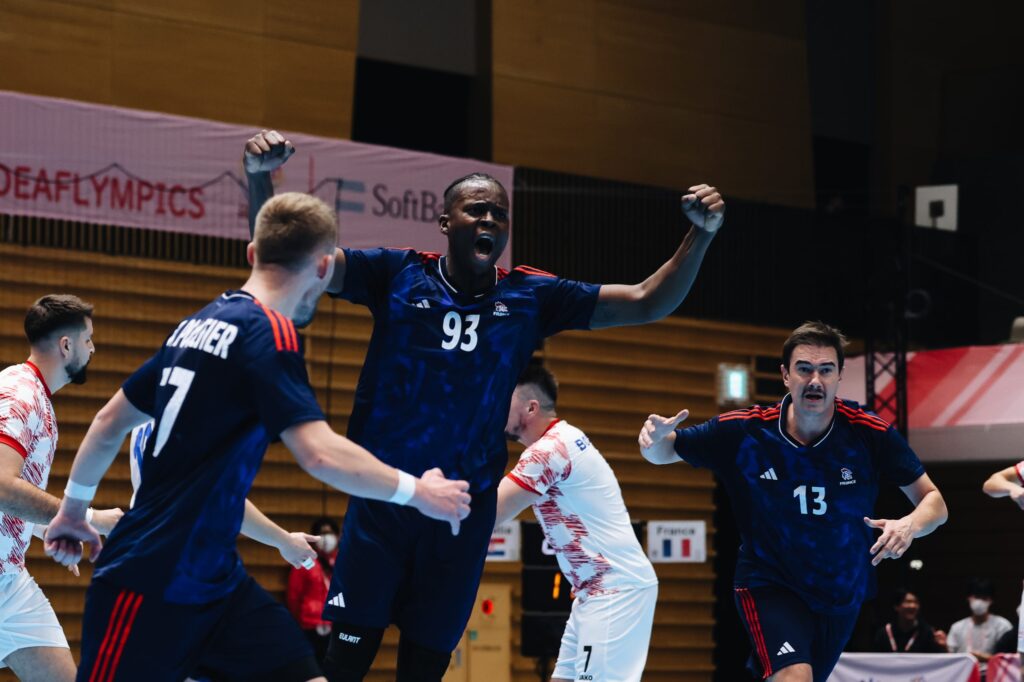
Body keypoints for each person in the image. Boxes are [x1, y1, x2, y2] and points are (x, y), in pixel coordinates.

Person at [244, 130, 724, 681]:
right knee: (344, 662)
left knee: (422, 671)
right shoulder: (396, 274)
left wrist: (701, 236)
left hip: (459, 520)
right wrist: (260, 178)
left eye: (500, 214)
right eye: (477, 211)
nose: (491, 221)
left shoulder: (530, 296)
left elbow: (647, 300)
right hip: (383, 503)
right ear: (446, 222)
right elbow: (289, 258)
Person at [42, 192, 472, 682]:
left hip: (216, 583)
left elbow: (107, 423)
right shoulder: (269, 334)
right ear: (325, 266)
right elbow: (319, 454)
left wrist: (74, 511)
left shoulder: (195, 325)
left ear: (252, 253)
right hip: (150, 579)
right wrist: (419, 492)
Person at [637, 321, 948, 682]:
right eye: (804, 369)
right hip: (771, 582)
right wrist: (654, 441)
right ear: (786, 375)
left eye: (826, 370)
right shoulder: (747, 431)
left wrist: (909, 524)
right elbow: (664, 453)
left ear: (839, 377)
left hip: (840, 594)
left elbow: (935, 503)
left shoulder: (868, 433)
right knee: (794, 676)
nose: (815, 380)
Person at [496, 365, 658, 682]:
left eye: (505, 399)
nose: (495, 407)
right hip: (593, 592)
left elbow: (487, 516)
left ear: (531, 407)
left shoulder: (549, 450)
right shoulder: (565, 437)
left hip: (616, 591)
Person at [0, 295, 123, 681]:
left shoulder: (35, 396)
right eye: (88, 340)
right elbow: (1, 485)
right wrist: (85, 516)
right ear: (66, 345)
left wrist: (55, 527)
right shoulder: (20, 396)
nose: (93, 348)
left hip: (8, 582)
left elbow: (11, 500)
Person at [287, 518, 341, 662]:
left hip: (336, 625)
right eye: (321, 533)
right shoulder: (304, 561)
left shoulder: (343, 562)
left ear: (337, 536)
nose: (325, 538)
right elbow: (294, 596)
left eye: (329, 533)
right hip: (309, 625)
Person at [946, 578, 1013, 668]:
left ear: (991, 600)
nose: (979, 602)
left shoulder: (1002, 626)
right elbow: (949, 657)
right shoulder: (957, 627)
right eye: (976, 597)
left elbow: (1009, 660)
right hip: (963, 675)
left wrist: (985, 658)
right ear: (968, 598)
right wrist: (943, 646)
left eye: (984, 598)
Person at [870, 589, 946, 653]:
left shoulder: (927, 633)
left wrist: (943, 647)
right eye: (908, 602)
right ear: (897, 606)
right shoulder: (884, 633)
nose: (912, 606)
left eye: (916, 602)